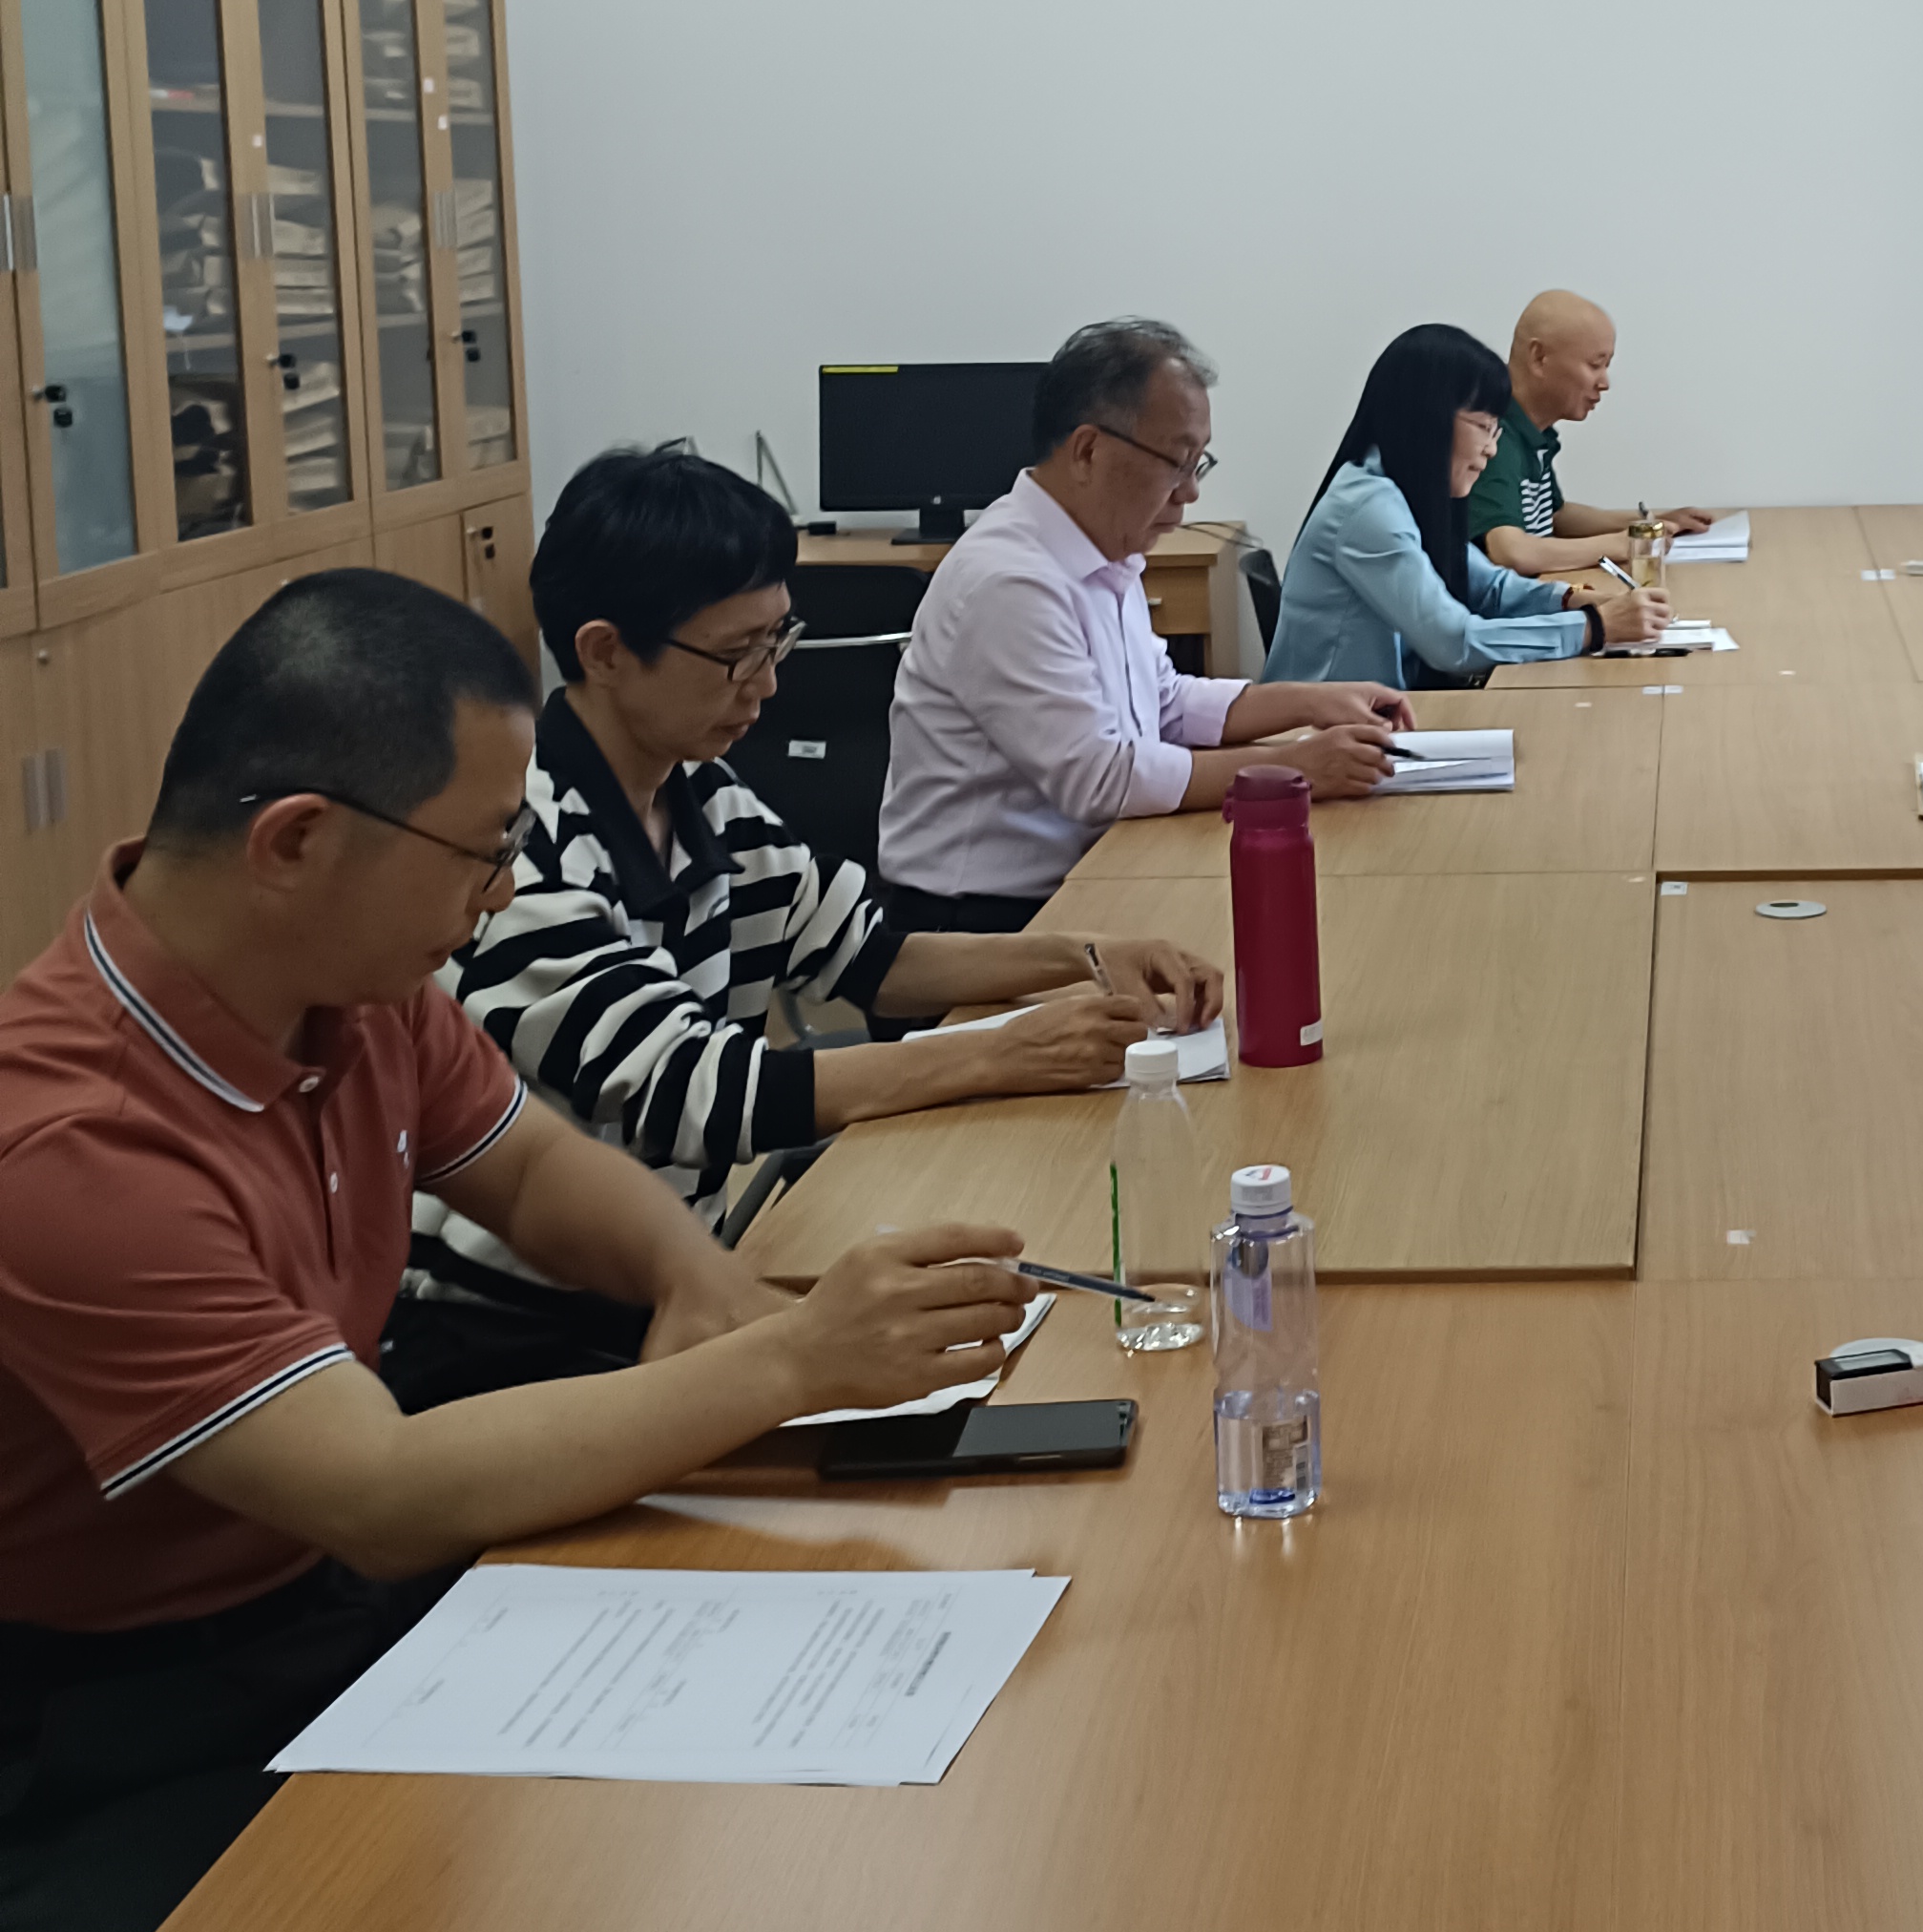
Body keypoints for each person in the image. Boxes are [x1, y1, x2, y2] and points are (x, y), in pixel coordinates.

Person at [0, 570, 1031, 1932]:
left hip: (327, 1606)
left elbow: (535, 1171)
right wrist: (788, 1359)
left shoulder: (356, 993)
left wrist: (698, 1281)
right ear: (297, 842)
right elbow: (379, 1489)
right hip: (107, 1715)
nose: (498, 897)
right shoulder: (67, 1142)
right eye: (483, 854)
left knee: (651, 1922)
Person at [395, 447, 1223, 1409]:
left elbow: (867, 954)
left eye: (777, 641)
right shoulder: (522, 848)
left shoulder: (699, 792)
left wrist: (1082, 957)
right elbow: (701, 1092)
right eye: (736, 655)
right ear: (606, 652)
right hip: (526, 1342)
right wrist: (1001, 1051)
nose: (767, 686)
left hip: (684, 1284)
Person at [881, 319, 1412, 931]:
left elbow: (1163, 703)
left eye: (1198, 463)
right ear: (1088, 451)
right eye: (1177, 461)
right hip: (980, 923)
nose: (1189, 493)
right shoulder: (1009, 580)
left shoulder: (1104, 552)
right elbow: (1101, 779)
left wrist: (1313, 702)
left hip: (1090, 873)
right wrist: (1297, 770)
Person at [1270, 326, 1664, 689]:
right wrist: (1595, 627)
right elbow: (1452, 642)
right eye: (1482, 426)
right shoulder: (1368, 507)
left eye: (1496, 430)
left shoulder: (1409, 492)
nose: (1491, 449)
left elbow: (1489, 588)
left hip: (1376, 716)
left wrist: (1574, 599)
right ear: (1429, 419)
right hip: (1322, 730)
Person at [1463, 291, 1717, 587]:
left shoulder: (1533, 432)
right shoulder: (1495, 436)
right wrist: (1622, 545)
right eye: (1595, 365)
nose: (1604, 383)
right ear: (1539, 358)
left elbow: (1555, 515)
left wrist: (1651, 523)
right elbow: (1511, 551)